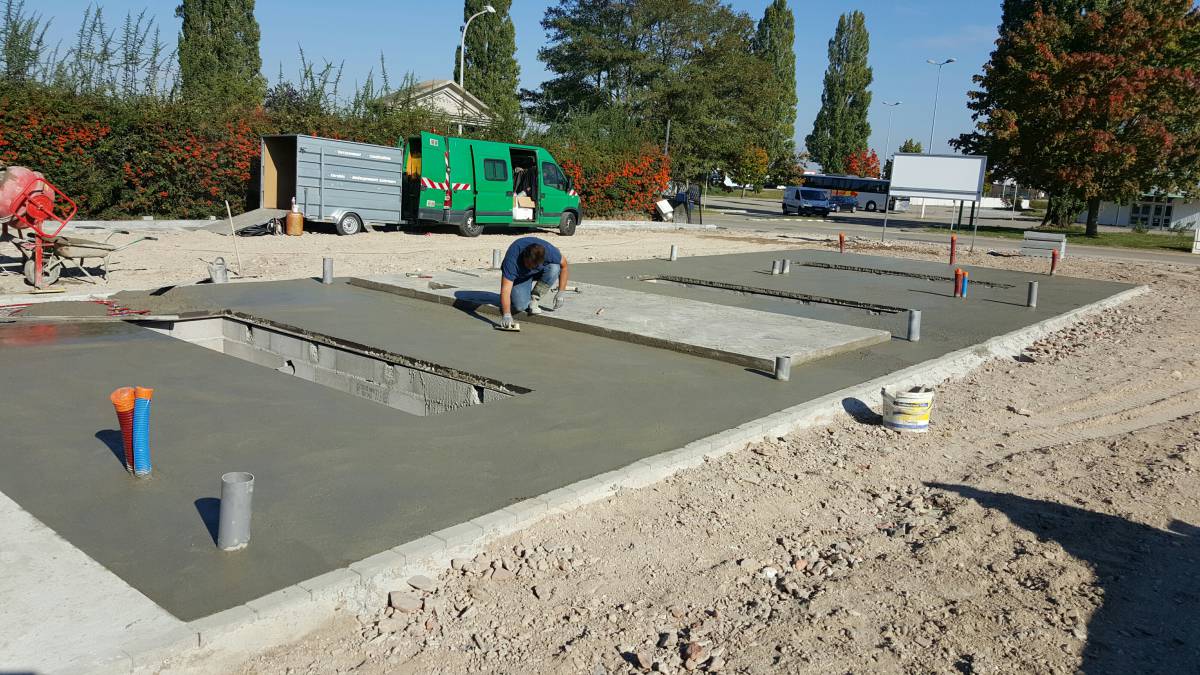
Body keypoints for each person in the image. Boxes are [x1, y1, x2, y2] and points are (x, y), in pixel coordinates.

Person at [498, 237, 568, 329]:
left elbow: (564, 266)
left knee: (555, 268)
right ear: (524, 257)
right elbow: (505, 290)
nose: (531, 268)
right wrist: (506, 314)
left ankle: (534, 299)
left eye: (534, 266)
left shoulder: (549, 251)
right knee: (520, 306)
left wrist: (561, 292)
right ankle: (519, 293)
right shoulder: (512, 260)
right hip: (520, 278)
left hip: (539, 272)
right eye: (529, 265)